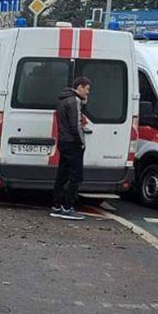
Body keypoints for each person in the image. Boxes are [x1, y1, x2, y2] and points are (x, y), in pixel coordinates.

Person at [51, 76, 91, 221]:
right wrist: (82, 143)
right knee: (76, 176)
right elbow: (76, 125)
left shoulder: (63, 98)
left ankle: (56, 206)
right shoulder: (74, 101)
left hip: (63, 141)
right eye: (87, 90)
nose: (88, 93)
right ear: (80, 87)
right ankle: (67, 207)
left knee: (62, 175)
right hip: (73, 143)